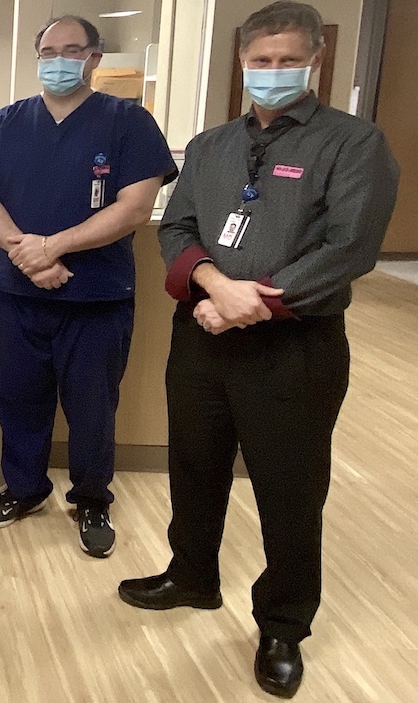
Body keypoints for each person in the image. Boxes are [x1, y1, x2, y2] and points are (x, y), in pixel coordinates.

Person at [117, 2, 399, 698]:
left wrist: (256, 302)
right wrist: (216, 286)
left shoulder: (353, 144)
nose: (272, 73)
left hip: (294, 345)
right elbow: (176, 229)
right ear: (242, 62)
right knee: (194, 463)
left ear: (315, 62)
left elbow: (350, 247)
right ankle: (192, 575)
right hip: (202, 333)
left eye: (287, 61)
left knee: (289, 487)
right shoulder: (211, 146)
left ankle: (282, 624)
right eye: (260, 61)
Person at [0, 16, 176, 558]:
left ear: (94, 58)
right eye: (49, 51)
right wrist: (26, 254)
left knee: (92, 409)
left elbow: (135, 208)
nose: (59, 61)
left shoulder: (129, 123)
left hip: (95, 296)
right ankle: (25, 489)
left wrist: (53, 247)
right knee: (18, 400)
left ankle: (92, 499)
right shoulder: (6, 123)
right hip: (20, 294)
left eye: (73, 50)